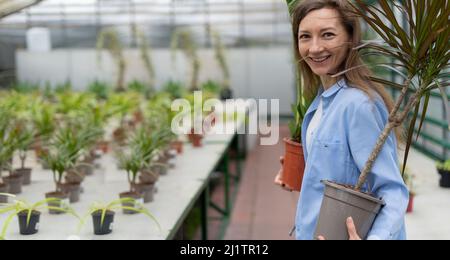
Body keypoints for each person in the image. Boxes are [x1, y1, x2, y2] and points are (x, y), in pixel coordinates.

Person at [275, 0, 409, 240]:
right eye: (305, 36)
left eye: (327, 35)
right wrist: (300, 175)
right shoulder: (322, 101)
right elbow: (338, 170)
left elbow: (392, 191)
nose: (314, 48)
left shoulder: (359, 105)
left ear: (350, 40)